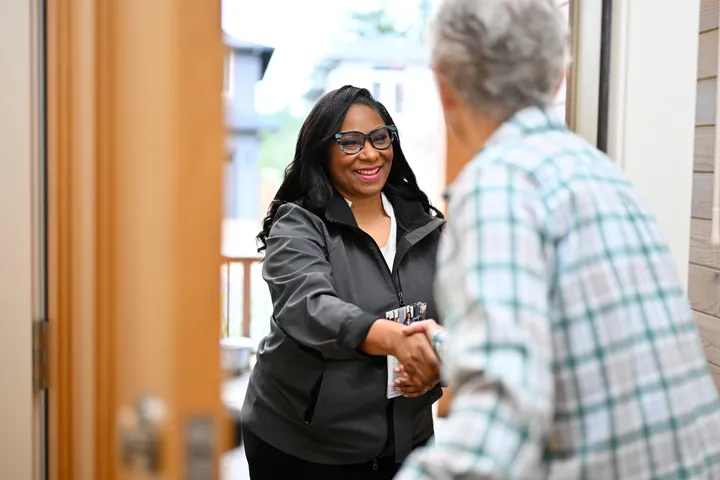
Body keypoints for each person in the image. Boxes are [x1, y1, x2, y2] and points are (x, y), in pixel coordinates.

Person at [395, 0, 720, 478]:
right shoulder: (601, 175)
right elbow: (579, 344)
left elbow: (495, 431)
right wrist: (449, 343)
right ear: (557, 77)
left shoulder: (499, 185)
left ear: (445, 85)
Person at [241, 85, 446, 479]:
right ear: (323, 150)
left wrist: (439, 363)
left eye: (379, 137)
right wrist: (394, 339)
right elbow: (309, 308)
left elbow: (463, 315)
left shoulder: (426, 226)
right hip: (303, 445)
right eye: (349, 142)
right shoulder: (299, 225)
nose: (369, 153)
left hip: (407, 440)